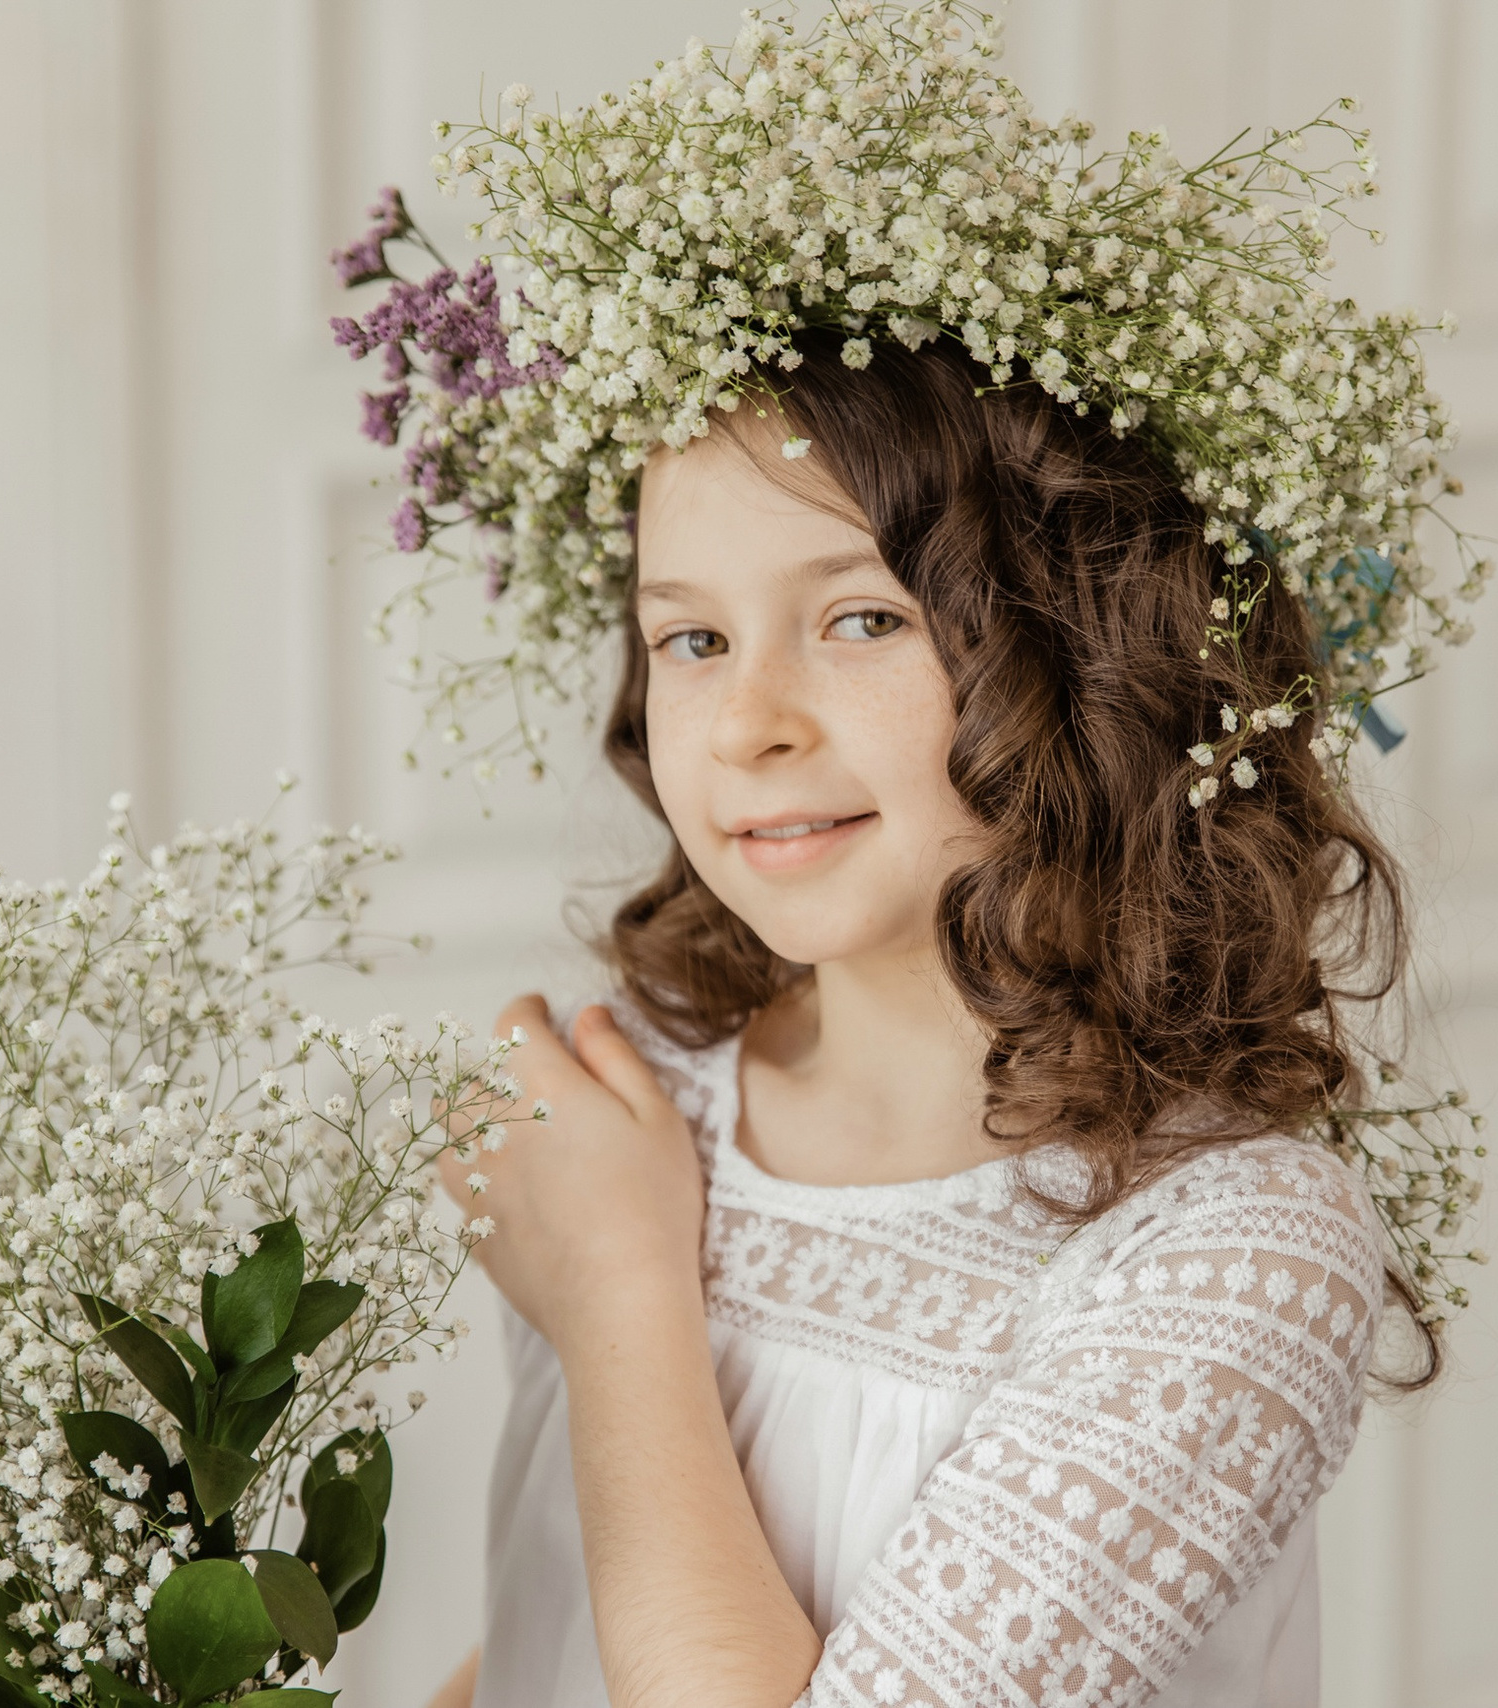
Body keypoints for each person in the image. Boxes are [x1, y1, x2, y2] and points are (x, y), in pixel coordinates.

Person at [423, 329, 1411, 1708]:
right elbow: (564, 1615)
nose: (745, 724)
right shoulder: (634, 1099)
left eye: (862, 618)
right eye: (692, 639)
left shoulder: (1229, 1253)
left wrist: (617, 1292)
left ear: (1086, 650)